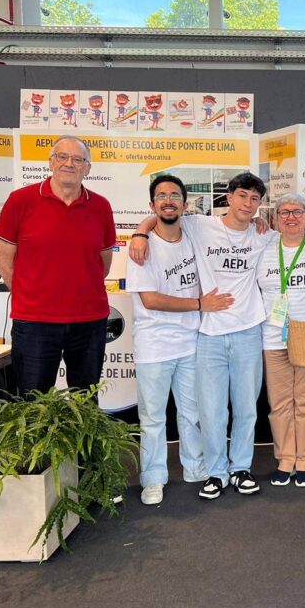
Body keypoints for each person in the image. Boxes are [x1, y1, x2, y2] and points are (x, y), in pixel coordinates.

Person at [130, 172, 274, 501]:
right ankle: (216, 472)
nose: (247, 203)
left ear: (259, 204)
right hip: (208, 335)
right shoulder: (200, 225)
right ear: (229, 197)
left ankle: (241, 468)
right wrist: (139, 233)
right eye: (242, 196)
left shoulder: (263, 235)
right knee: (211, 412)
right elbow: (163, 215)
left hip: (248, 332)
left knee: (246, 408)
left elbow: (298, 236)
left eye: (254, 199)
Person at [0, 136, 116, 394]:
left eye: (78, 159)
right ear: (51, 162)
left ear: (87, 168)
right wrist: (31, 295)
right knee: (33, 401)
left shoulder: (102, 206)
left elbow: (103, 263)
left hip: (89, 321)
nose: (69, 164)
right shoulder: (20, 201)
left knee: (85, 402)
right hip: (35, 322)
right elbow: (4, 261)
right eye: (62, 157)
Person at [126, 175, 211, 505]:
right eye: (161, 196)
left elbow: (234, 221)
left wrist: (259, 220)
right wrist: (200, 304)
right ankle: (153, 478)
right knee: (153, 418)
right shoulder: (141, 248)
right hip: (154, 345)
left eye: (175, 195)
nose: (168, 200)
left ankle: (195, 467)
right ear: (152, 205)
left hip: (190, 341)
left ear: (185, 204)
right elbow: (150, 300)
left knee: (192, 412)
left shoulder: (193, 231)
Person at [256, 193, 305, 489]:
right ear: (274, 218)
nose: (291, 217)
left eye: (297, 212)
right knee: (280, 403)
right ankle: (285, 459)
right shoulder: (264, 245)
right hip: (273, 334)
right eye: (284, 212)